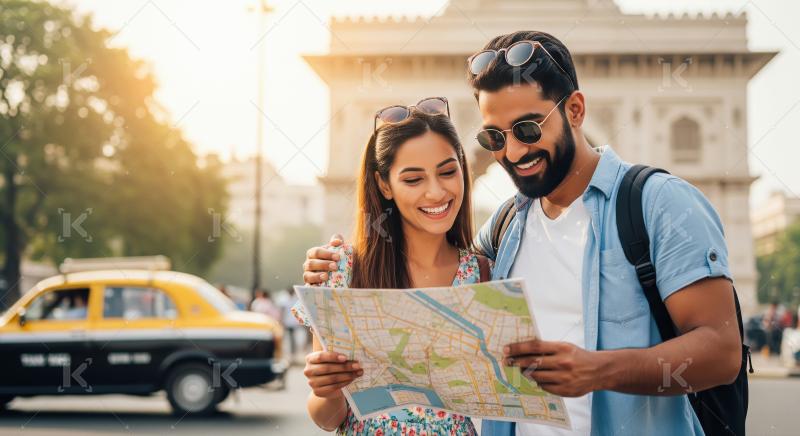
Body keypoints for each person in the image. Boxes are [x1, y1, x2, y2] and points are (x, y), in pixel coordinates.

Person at [303, 31, 743, 435]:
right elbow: (431, 264)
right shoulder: (508, 226)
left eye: (528, 129)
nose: (513, 152)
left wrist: (598, 370)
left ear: (575, 110)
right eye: (494, 137)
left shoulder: (658, 204)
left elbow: (721, 353)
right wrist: (347, 259)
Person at [293, 100, 486, 435]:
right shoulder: (341, 273)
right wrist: (328, 390)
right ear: (384, 185)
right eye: (413, 179)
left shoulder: (483, 275)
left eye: (447, 171)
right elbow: (327, 419)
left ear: (463, 169)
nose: (436, 191)